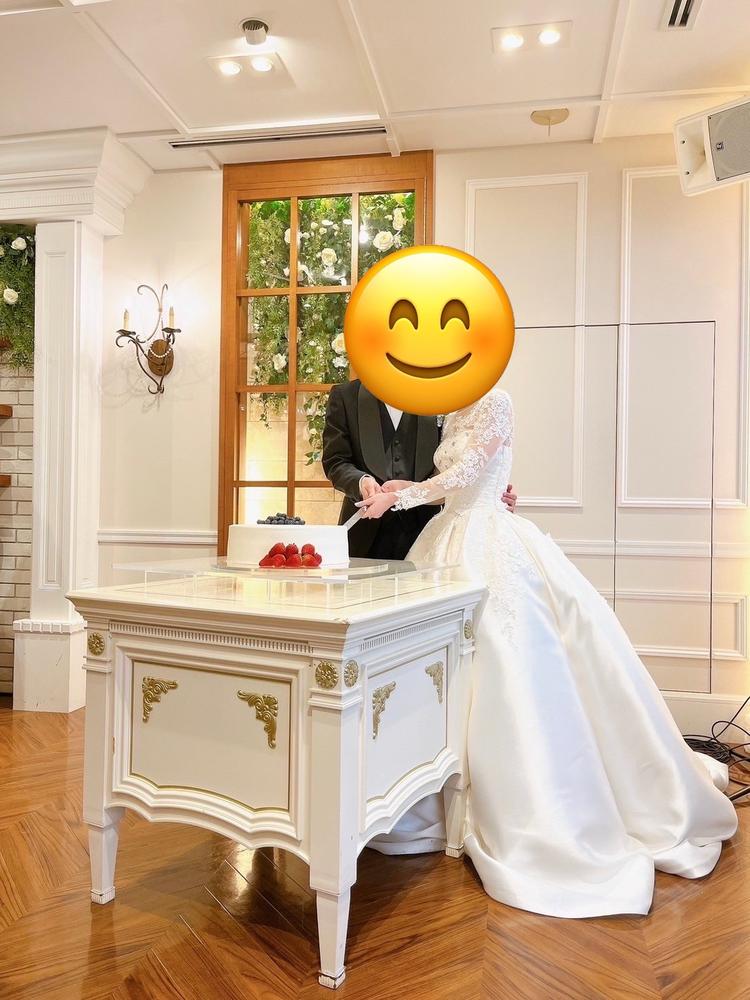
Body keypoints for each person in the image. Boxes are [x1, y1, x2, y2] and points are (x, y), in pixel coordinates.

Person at [357, 382, 737, 918]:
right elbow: (450, 485)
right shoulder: (450, 410)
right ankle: (435, 796)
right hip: (447, 537)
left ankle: (527, 804)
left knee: (506, 659)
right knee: (437, 671)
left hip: (489, 539)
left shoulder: (497, 401)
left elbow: (470, 473)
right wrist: (404, 486)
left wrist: (402, 496)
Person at [322, 378, 515, 560]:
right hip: (364, 533)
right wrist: (361, 481)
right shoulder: (346, 395)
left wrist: (491, 491)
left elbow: (463, 467)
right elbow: (335, 461)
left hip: (426, 534)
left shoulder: (441, 401)